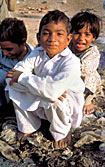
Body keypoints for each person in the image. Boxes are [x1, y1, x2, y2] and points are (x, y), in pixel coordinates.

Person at [6, 10, 85, 149]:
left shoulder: (71, 62)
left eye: (59, 34)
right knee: (12, 87)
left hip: (65, 106)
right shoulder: (37, 53)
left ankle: (61, 132)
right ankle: (28, 126)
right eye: (46, 33)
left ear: (68, 39)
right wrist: (42, 87)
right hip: (43, 94)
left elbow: (52, 91)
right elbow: (13, 74)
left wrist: (25, 78)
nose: (52, 39)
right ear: (38, 37)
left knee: (54, 99)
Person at [69, 12, 102, 115]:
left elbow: (84, 70)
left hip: (85, 80)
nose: (81, 38)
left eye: (87, 34)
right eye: (77, 33)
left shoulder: (93, 53)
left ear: (94, 37)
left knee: (90, 76)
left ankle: (88, 100)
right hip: (70, 77)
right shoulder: (67, 45)